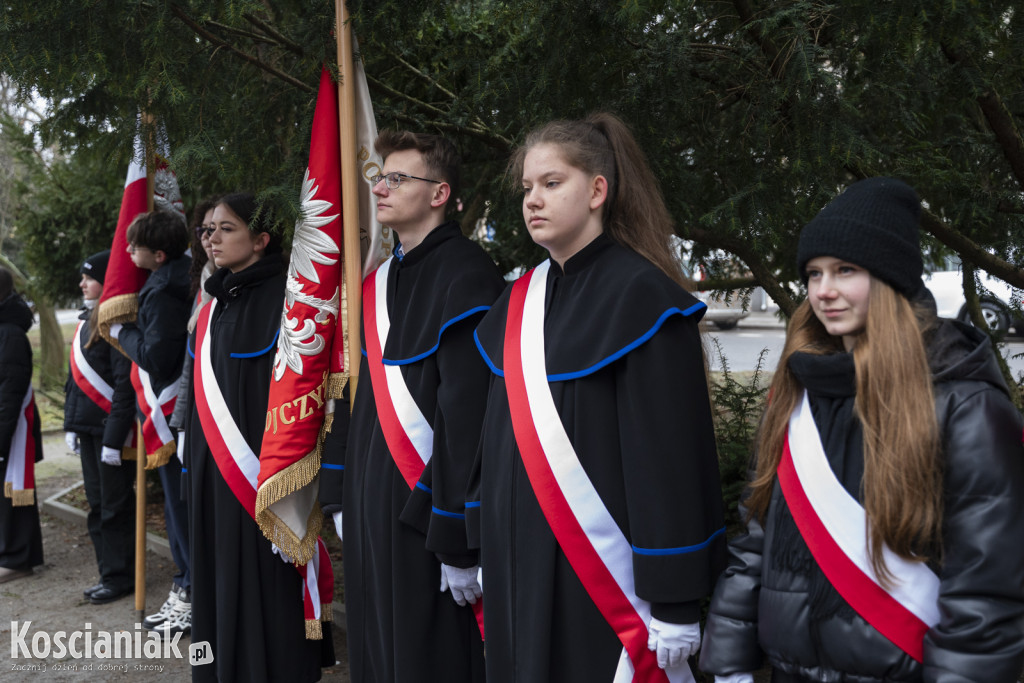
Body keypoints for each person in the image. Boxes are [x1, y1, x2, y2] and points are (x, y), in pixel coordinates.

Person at [699, 177, 1024, 682]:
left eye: (845, 270)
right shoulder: (795, 393)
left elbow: (986, 596)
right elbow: (755, 546)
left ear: (891, 279)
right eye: (813, 273)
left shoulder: (967, 407)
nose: (824, 291)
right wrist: (728, 667)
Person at [468, 113, 727, 683]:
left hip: (600, 580)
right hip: (516, 567)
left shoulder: (643, 297)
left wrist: (675, 602)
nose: (533, 200)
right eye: (527, 188)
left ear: (597, 190)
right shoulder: (516, 305)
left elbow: (669, 464)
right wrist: (478, 542)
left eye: (552, 183)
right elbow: (491, 442)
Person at [320, 130, 502, 682]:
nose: (381, 188)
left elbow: (466, 422)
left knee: (432, 658)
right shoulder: (379, 281)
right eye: (380, 176)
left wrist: (457, 538)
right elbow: (357, 394)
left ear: (440, 193)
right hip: (371, 500)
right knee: (379, 651)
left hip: (426, 511)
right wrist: (338, 494)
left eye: (398, 178)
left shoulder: (469, 275)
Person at [186, 192, 334, 682]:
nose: (211, 238)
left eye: (225, 229)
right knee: (216, 581)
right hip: (213, 479)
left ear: (261, 238)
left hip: (264, 480)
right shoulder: (215, 304)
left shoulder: (286, 304)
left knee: (267, 594)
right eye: (208, 230)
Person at [106, 209, 193, 611]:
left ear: (158, 255)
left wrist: (127, 333)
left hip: (171, 409)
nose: (127, 252)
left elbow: (157, 359)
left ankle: (188, 585)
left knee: (179, 504)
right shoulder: (178, 275)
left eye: (134, 247)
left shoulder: (162, 290)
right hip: (179, 409)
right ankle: (188, 581)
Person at [63, 251, 137, 602]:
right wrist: (71, 425)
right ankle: (107, 572)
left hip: (112, 432)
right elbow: (73, 382)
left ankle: (120, 576)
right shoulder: (85, 320)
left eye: (88, 277)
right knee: (97, 504)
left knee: (115, 506)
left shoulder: (115, 323)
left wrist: (114, 438)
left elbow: (124, 385)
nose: (81, 284)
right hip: (88, 430)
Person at [0, 266, 44, 583]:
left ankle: (17, 558)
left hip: (10, 428)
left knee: (14, 495)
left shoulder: (10, 334)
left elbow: (10, 390)